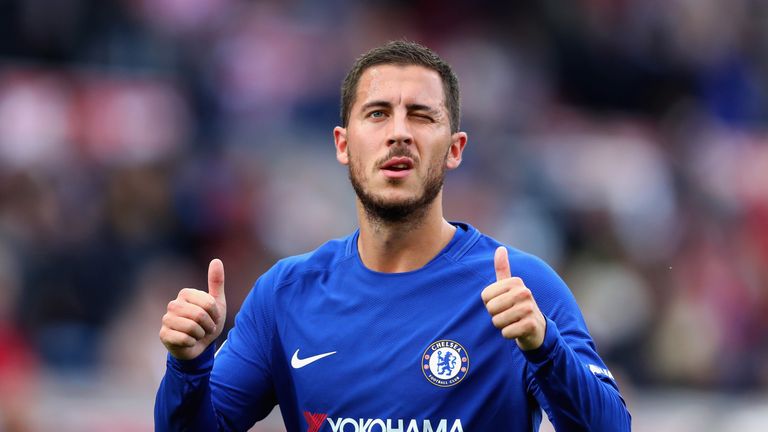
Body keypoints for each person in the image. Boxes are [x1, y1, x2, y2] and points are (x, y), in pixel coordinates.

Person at [155, 40, 632, 432]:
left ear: (454, 148)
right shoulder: (284, 295)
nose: (399, 133)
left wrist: (545, 349)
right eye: (378, 113)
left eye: (422, 116)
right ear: (343, 144)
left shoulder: (522, 289)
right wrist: (190, 366)